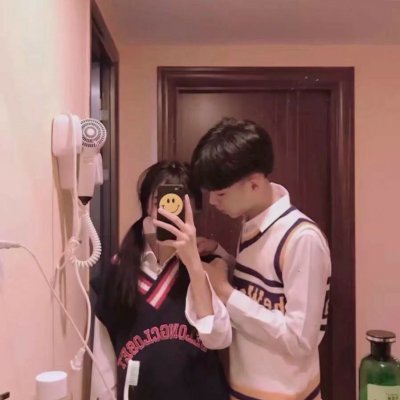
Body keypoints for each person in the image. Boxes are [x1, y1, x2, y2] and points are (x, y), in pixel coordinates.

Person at [182, 117, 331, 400]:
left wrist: (226, 293)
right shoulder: (252, 222)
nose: (213, 201)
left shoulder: (302, 239)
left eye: (221, 193)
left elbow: (300, 340)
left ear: (253, 184)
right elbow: (264, 287)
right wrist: (222, 255)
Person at [91, 161, 231, 400]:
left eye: (178, 203)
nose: (169, 212)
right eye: (161, 202)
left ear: (193, 208)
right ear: (146, 204)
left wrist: (194, 264)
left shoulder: (209, 265)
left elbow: (218, 338)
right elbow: (102, 359)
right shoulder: (118, 271)